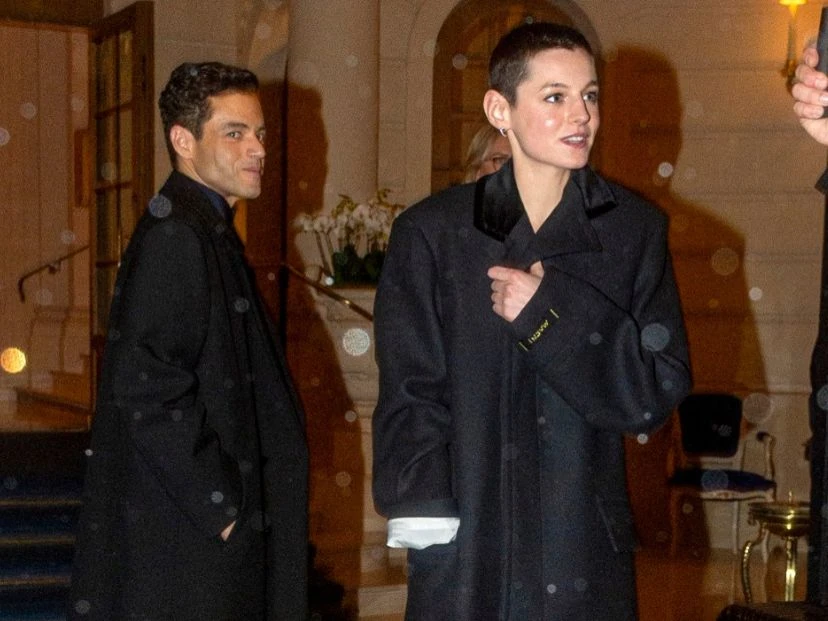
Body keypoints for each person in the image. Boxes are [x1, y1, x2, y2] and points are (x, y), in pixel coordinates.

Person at [372, 22, 691, 620]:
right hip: (468, 543)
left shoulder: (633, 231)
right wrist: (425, 510)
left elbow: (654, 392)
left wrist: (549, 317)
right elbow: (411, 390)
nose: (581, 116)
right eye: (555, 96)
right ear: (501, 110)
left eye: (589, 95)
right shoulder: (433, 234)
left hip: (581, 545)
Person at [68, 62, 308, 620]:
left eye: (259, 133)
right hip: (192, 552)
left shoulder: (203, 228)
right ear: (184, 141)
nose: (258, 149)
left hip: (200, 543)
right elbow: (146, 384)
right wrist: (224, 510)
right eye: (235, 133)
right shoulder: (179, 235)